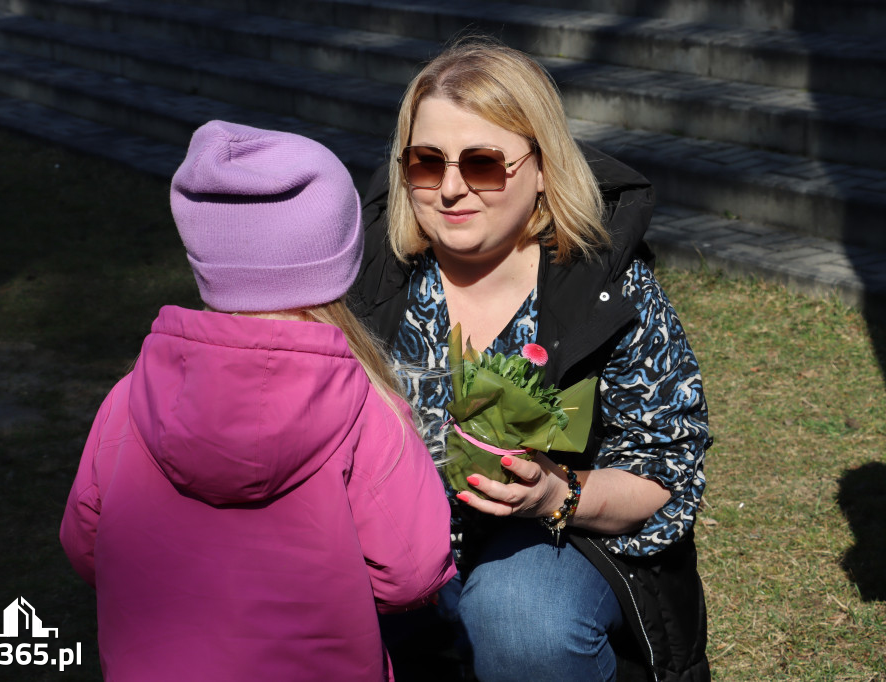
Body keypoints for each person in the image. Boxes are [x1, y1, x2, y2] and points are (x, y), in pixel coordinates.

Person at [349, 38, 711, 682]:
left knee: (520, 618)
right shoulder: (371, 273)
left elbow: (666, 467)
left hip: (559, 544)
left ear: (543, 167)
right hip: (392, 545)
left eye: (483, 164)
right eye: (427, 163)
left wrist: (556, 494)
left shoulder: (606, 285)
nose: (451, 189)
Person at [59, 120, 457, 681]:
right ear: (337, 256)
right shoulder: (368, 411)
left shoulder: (130, 397)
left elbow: (86, 544)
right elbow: (413, 573)